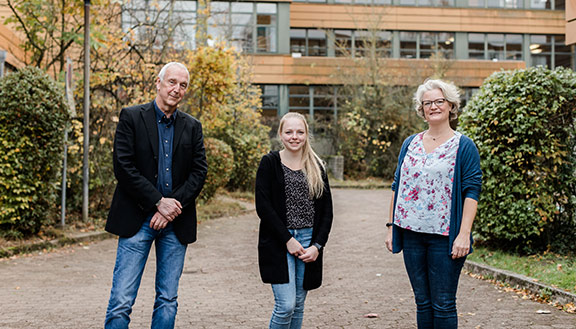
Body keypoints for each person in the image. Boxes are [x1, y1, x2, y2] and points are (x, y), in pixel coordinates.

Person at [104, 62, 208, 329]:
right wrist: (157, 202)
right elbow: (123, 167)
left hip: (176, 224)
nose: (177, 89)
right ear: (158, 83)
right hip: (136, 219)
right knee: (121, 301)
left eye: (183, 85)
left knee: (168, 299)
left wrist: (171, 207)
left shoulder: (192, 126)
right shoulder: (131, 116)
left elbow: (199, 172)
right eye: (172, 82)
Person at [385, 79, 482, 329]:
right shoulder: (410, 143)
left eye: (439, 101)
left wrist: (464, 234)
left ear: (451, 105)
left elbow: (472, 191)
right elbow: (398, 185)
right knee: (422, 302)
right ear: (422, 109)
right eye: (427, 103)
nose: (433, 106)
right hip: (412, 235)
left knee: (443, 303)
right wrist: (391, 227)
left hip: (444, 237)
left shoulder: (464, 146)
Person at [255, 112, 334, 329]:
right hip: (278, 241)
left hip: (309, 241)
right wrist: (287, 239)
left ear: (306, 134)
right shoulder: (270, 163)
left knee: (298, 304)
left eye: (300, 132)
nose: (294, 137)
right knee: (286, 305)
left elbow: (327, 212)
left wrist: (317, 246)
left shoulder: (317, 166)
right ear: (280, 134)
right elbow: (263, 206)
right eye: (289, 132)